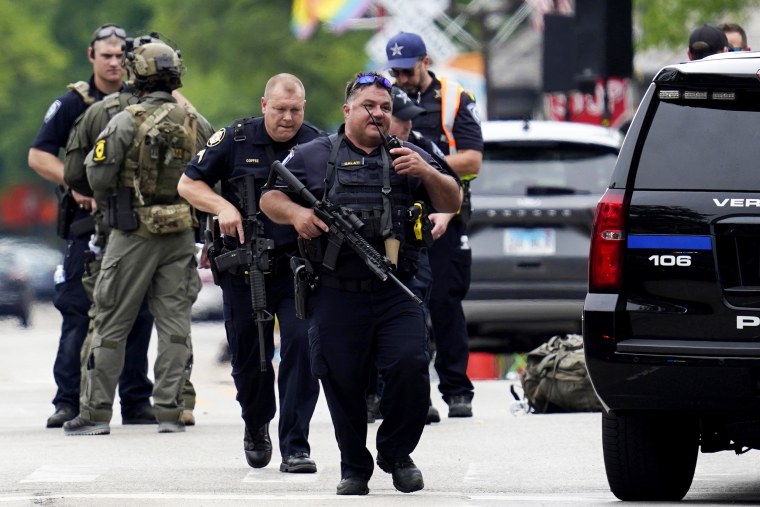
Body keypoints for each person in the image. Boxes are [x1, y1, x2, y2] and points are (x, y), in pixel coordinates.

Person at [260, 72, 462, 495]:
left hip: (396, 288)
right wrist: (297, 216)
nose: (379, 114)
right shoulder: (317, 155)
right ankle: (354, 466)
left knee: (410, 368)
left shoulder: (410, 155)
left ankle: (395, 451)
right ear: (347, 110)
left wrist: (426, 171)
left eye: (386, 108)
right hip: (335, 291)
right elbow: (271, 197)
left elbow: (452, 200)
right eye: (370, 106)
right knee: (341, 379)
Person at [63, 39, 214, 435]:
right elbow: (213, 171)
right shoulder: (195, 121)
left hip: (131, 234)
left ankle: (95, 414)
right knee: (175, 324)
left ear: (137, 74)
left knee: (111, 320)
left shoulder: (123, 120)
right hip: (181, 233)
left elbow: (91, 177)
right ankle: (171, 411)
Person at [177, 73, 322, 472]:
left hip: (298, 270)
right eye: (279, 109)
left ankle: (296, 445)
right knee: (250, 358)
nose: (287, 118)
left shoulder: (317, 144)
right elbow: (188, 185)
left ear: (303, 109)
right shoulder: (235, 139)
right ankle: (256, 423)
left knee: (301, 349)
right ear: (264, 105)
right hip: (244, 270)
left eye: (295, 110)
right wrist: (222, 207)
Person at [28, 23, 154, 428]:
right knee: (78, 311)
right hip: (88, 223)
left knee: (137, 311)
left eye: (122, 56)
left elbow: (184, 117)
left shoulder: (143, 98)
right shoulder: (73, 103)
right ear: (92, 57)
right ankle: (68, 400)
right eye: (108, 56)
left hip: (134, 222)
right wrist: (75, 182)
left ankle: (136, 400)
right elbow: (38, 155)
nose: (115, 62)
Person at [385, 31, 483, 419]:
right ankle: (414, 394)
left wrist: (428, 160)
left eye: (407, 70)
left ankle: (457, 390)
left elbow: (473, 161)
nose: (401, 78)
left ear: (425, 61)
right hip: (400, 213)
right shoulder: (383, 96)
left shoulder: (455, 98)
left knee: (445, 301)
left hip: (446, 211)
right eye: (395, 71)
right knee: (406, 306)